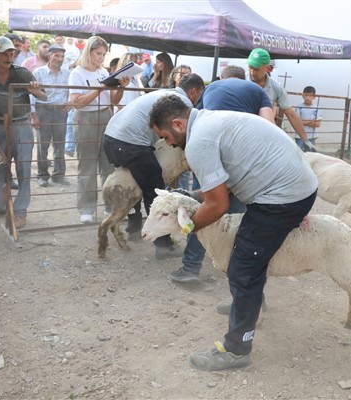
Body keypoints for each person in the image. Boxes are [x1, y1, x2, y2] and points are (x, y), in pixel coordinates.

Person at [149, 94, 317, 372]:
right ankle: (248, 303)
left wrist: (185, 227)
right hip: (299, 186)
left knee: (243, 265)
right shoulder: (209, 122)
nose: (168, 144)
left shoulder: (199, 142)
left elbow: (217, 205)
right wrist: (190, 196)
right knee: (251, 252)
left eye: (166, 136)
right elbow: (220, 184)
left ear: (178, 124)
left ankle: (237, 350)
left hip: (282, 198)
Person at [170, 65, 275, 283]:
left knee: (206, 208)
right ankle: (239, 272)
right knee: (238, 215)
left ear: (222, 78)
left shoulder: (212, 87)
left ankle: (190, 268)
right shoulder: (258, 91)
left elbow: (193, 121)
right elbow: (269, 125)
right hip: (242, 159)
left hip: (209, 151)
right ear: (244, 78)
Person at [103, 74, 205, 259]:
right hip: (130, 143)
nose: (198, 100)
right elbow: (180, 133)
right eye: (199, 95)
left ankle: (134, 227)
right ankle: (163, 245)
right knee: (154, 187)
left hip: (111, 139)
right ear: (193, 91)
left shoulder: (165, 93)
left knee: (135, 181)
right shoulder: (183, 104)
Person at [0, 36, 47, 229]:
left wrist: (35, 90)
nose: (9, 59)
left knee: (23, 170)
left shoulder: (22, 73)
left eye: (11, 54)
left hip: (21, 126)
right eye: (4, 55)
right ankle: (0, 206)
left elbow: (44, 95)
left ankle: (20, 212)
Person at [68, 36, 128, 223]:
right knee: (86, 165)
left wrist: (121, 87)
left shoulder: (103, 72)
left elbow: (113, 100)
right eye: (98, 53)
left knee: (108, 165)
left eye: (103, 54)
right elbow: (77, 103)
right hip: (86, 117)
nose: (101, 57)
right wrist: (99, 89)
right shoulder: (76, 73)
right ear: (89, 52)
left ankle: (109, 206)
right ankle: (86, 208)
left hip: (106, 115)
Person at [247, 48, 316, 152]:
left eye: (257, 69)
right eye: (250, 67)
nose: (252, 72)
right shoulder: (240, 81)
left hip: (263, 136)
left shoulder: (276, 88)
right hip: (243, 132)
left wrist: (305, 140)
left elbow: (291, 114)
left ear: (266, 67)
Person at [33, 45, 71, 187]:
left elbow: (72, 90)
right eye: (56, 55)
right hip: (43, 110)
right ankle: (42, 175)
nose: (59, 59)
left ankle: (59, 175)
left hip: (61, 111)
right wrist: (33, 114)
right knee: (43, 145)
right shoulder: (39, 72)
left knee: (59, 144)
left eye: (62, 56)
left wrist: (71, 101)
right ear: (49, 56)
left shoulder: (67, 73)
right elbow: (32, 93)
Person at [295, 86, 323, 151]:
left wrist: (303, 122)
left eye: (310, 96)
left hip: (312, 136)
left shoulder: (316, 108)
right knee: (298, 153)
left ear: (314, 97)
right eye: (306, 95)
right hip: (300, 136)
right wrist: (311, 121)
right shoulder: (299, 107)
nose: (308, 98)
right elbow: (296, 122)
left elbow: (318, 124)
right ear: (303, 96)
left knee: (310, 155)